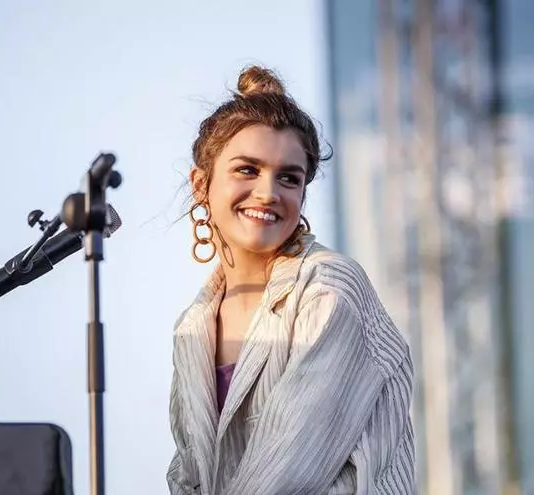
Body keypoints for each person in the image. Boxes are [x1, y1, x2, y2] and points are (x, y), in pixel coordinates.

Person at [167, 65, 415, 494]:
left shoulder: (329, 289)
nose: (268, 193)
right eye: (247, 170)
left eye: (288, 178)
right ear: (200, 184)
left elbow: (286, 473)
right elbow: (186, 476)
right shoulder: (194, 325)